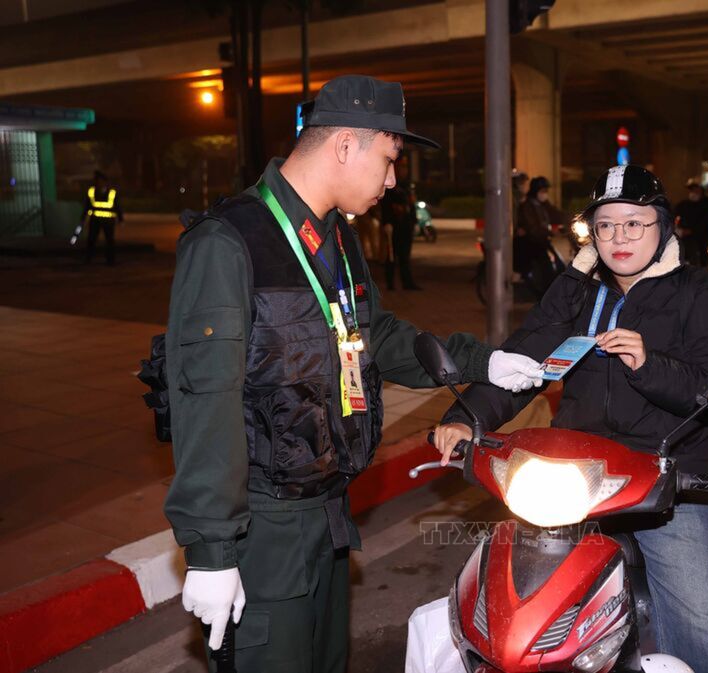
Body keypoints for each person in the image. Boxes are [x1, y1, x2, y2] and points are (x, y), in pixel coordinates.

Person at [163, 75, 545, 673]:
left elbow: (374, 334)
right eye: (389, 160)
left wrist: (481, 361)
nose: (392, 181)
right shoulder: (229, 242)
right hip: (265, 527)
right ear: (345, 145)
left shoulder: (337, 236)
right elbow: (205, 402)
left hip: (328, 511)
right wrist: (211, 552)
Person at [433, 164, 708, 672]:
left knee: (701, 636)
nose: (619, 238)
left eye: (634, 223)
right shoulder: (576, 290)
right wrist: (467, 417)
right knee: (516, 616)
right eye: (605, 225)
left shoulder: (697, 293)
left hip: (668, 485)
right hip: (577, 479)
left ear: (662, 226)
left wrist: (650, 365)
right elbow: (525, 359)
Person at [381, 155, 420, 290]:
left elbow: (411, 206)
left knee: (405, 256)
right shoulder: (391, 185)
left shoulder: (407, 185)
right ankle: (390, 284)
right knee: (391, 255)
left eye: (406, 167)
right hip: (394, 226)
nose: (404, 170)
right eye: (402, 167)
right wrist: (387, 222)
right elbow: (386, 206)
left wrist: (414, 221)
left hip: (406, 225)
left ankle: (407, 282)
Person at [674, 179, 708, 267]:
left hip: (703, 235)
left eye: (696, 189)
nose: (693, 192)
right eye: (691, 190)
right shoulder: (684, 204)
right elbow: (674, 214)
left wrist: (693, 230)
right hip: (685, 235)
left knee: (700, 253)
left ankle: (702, 266)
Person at [81, 170, 123, 265]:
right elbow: (87, 206)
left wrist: (121, 219)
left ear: (105, 182)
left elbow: (117, 206)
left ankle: (110, 260)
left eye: (100, 181)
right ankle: (88, 258)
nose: (99, 183)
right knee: (91, 240)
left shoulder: (112, 193)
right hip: (95, 220)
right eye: (97, 181)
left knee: (109, 241)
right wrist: (83, 218)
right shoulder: (92, 192)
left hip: (108, 221)